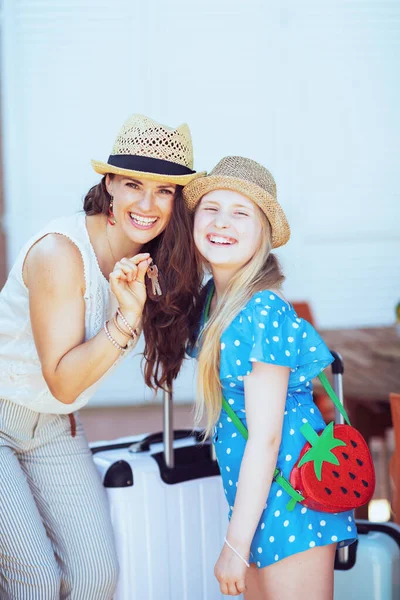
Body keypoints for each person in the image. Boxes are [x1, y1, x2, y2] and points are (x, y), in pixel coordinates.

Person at [0, 113, 204, 600]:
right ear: (109, 183)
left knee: (95, 577)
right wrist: (126, 318)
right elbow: (64, 382)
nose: (148, 204)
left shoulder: (156, 257)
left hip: (54, 426)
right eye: (133, 184)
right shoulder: (61, 254)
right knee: (38, 583)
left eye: (165, 191)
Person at [183, 156, 357, 599]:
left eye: (241, 213)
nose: (223, 222)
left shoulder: (264, 309)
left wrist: (234, 547)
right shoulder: (213, 304)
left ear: (263, 234)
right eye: (212, 208)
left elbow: (266, 438)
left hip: (292, 494)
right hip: (259, 498)